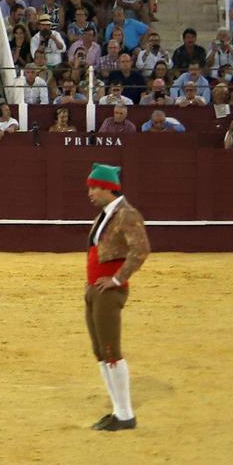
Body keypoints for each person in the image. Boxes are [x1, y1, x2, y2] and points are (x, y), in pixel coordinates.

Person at [82, 164, 149, 432]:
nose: (90, 192)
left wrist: (117, 279)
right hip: (95, 289)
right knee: (100, 352)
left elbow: (141, 250)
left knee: (111, 352)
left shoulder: (126, 214)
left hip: (109, 292)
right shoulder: (107, 214)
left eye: (94, 187)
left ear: (109, 188)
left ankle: (125, 415)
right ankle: (117, 410)